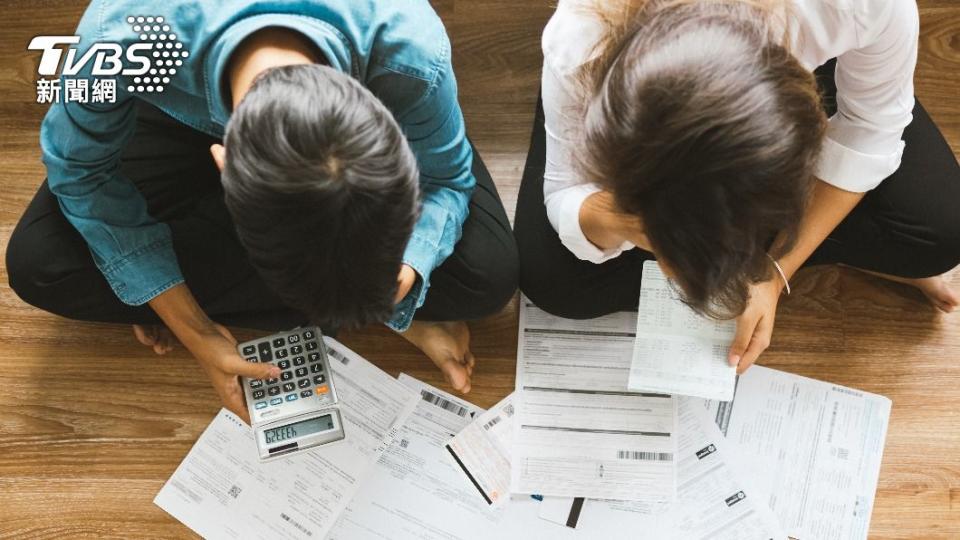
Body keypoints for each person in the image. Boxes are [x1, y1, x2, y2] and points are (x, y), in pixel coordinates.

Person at [7, 0, 518, 420]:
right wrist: (194, 328)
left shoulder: (409, 52)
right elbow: (80, 172)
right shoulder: (122, 37)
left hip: (307, 98)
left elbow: (447, 178)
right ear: (223, 168)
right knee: (39, 264)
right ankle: (342, 294)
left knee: (491, 274)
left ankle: (343, 293)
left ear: (388, 138)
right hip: (165, 97)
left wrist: (400, 279)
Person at [515, 0, 960, 373]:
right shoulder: (583, 38)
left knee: (941, 230)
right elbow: (564, 190)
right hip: (618, 71)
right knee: (551, 277)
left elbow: (873, 127)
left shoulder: (861, 6)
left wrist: (774, 273)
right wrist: (632, 224)